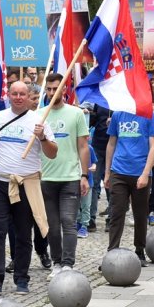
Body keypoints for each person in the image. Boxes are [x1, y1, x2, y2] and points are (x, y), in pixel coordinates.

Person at [0, 82, 56, 296]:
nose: (18, 97)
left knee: (22, 234)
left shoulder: (40, 121)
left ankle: (22, 278)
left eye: (23, 94)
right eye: (15, 93)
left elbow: (52, 153)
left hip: (26, 183)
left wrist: (43, 137)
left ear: (30, 97)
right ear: (8, 95)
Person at [37, 74, 90, 280]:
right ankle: (56, 262)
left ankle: (68, 263)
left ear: (64, 89)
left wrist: (84, 175)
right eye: (49, 89)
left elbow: (83, 146)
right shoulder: (40, 115)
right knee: (52, 224)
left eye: (55, 89)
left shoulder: (75, 114)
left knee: (68, 221)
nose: (52, 93)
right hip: (47, 177)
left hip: (69, 176)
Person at [104, 107, 154, 266]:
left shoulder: (150, 115)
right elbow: (111, 143)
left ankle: (139, 249)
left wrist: (145, 173)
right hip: (119, 170)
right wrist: (107, 172)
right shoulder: (117, 114)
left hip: (140, 171)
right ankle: (112, 251)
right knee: (116, 212)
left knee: (140, 213)